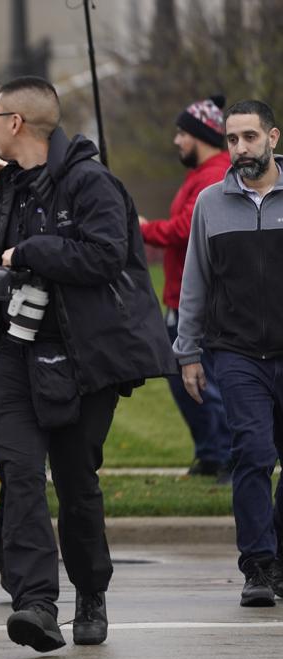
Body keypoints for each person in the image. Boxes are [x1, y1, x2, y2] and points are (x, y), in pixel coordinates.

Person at [0, 76, 174, 651]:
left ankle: (90, 593)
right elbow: (6, 259)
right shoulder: (9, 187)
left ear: (16, 124)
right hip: (16, 354)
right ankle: (36, 605)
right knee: (19, 479)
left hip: (83, 361)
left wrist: (31, 252)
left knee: (76, 484)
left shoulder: (91, 182)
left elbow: (104, 256)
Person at [175, 99, 283, 608]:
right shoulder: (211, 204)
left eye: (249, 138)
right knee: (254, 455)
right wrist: (188, 353)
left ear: (273, 138)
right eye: (232, 140)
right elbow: (195, 281)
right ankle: (258, 566)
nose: (239, 148)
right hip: (236, 354)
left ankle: (277, 552)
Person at [139, 96, 233, 482]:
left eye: (182, 133)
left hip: (200, 302)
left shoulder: (214, 175)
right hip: (180, 295)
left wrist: (141, 229)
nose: (176, 141)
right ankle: (211, 453)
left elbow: (184, 229)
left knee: (204, 383)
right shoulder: (202, 173)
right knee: (185, 383)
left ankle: (229, 457)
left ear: (199, 135)